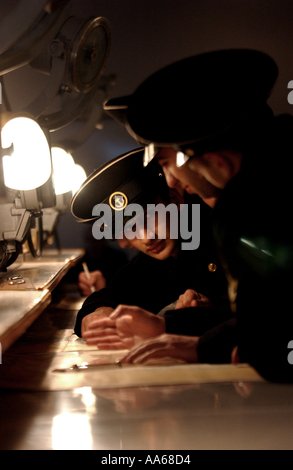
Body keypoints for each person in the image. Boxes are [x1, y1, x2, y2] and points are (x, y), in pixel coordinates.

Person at [100, 49, 293, 382]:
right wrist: (215, 345)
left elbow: (271, 341)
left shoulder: (249, 206)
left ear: (220, 163)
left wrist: (248, 346)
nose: (175, 183)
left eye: (169, 165)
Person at [71, 148, 231, 346]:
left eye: (150, 219)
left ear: (175, 200)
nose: (146, 238)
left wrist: (211, 307)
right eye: (131, 229)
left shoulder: (219, 228)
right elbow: (113, 293)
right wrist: (98, 312)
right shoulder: (152, 262)